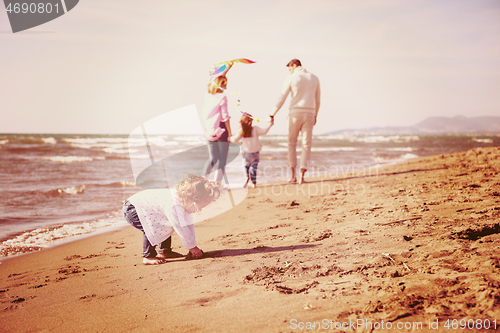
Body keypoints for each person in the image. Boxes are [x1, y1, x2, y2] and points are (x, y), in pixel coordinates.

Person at [122, 175, 220, 265]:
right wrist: (192, 248)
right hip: (134, 208)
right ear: (192, 199)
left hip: (145, 207)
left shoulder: (183, 202)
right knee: (152, 226)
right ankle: (148, 256)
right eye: (200, 207)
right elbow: (180, 227)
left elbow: (188, 224)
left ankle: (164, 251)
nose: (200, 210)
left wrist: (193, 245)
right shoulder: (174, 205)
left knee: (165, 224)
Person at [270, 59, 321, 184]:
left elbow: (282, 98)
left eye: (289, 68)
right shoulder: (314, 78)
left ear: (294, 65)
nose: (289, 71)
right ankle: (302, 177)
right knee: (306, 145)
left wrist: (272, 113)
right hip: (309, 113)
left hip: (295, 113)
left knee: (291, 144)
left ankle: (292, 176)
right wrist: (315, 115)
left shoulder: (291, 77)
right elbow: (318, 100)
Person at [201, 75, 233, 184]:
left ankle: (203, 180)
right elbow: (225, 116)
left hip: (209, 130)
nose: (226, 87)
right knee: (222, 159)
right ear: (220, 85)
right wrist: (230, 132)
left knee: (213, 158)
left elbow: (214, 78)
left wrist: (229, 66)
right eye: (224, 84)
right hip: (221, 129)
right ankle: (217, 183)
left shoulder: (207, 95)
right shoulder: (222, 97)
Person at [229, 113, 274, 188]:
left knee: (245, 166)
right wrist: (270, 124)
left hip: (246, 153)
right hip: (255, 152)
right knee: (254, 168)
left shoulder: (241, 131)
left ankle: (246, 177)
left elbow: (234, 140)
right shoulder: (255, 129)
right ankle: (254, 183)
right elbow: (265, 131)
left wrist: (229, 137)